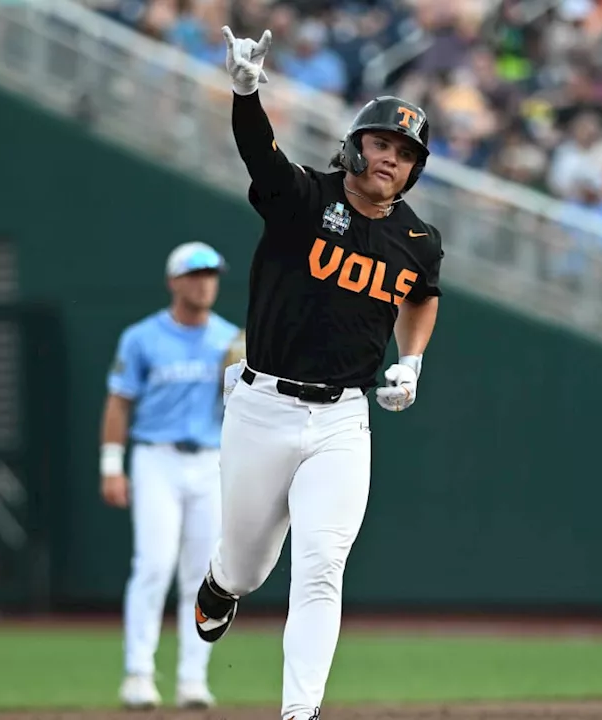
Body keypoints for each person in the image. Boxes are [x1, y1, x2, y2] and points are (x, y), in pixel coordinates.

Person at [192, 26, 445, 720]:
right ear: (355, 145)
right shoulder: (306, 198)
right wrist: (246, 94)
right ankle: (219, 582)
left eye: (405, 152)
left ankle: (298, 714)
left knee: (322, 567)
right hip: (262, 406)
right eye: (382, 143)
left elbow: (421, 297)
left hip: (342, 418)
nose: (391, 157)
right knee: (247, 568)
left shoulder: (418, 239)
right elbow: (260, 154)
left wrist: (412, 359)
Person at [100, 241, 243, 710]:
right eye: (196, 274)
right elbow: (120, 402)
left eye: (211, 274)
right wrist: (111, 466)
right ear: (174, 281)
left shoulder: (231, 338)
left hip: (209, 461)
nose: (205, 282)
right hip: (156, 457)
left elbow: (244, 411)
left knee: (204, 577)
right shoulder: (142, 337)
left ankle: (192, 679)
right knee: (153, 565)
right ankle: (138, 673)